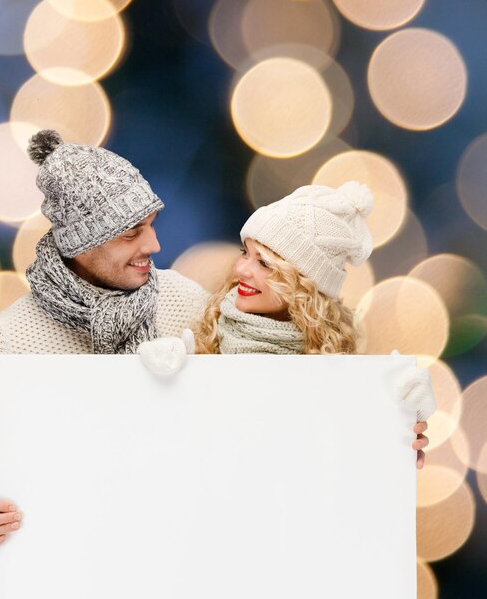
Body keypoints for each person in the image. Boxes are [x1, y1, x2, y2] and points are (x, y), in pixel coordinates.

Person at [0, 130, 209, 550]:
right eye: (131, 234)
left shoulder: (185, 301)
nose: (154, 245)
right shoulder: (7, 340)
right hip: (71, 557)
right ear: (80, 244)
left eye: (151, 226)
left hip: (179, 548)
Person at [139, 182, 434, 462]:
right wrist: (159, 381)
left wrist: (400, 426)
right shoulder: (200, 330)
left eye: (264, 263)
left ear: (303, 285)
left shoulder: (337, 370)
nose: (241, 269)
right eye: (245, 253)